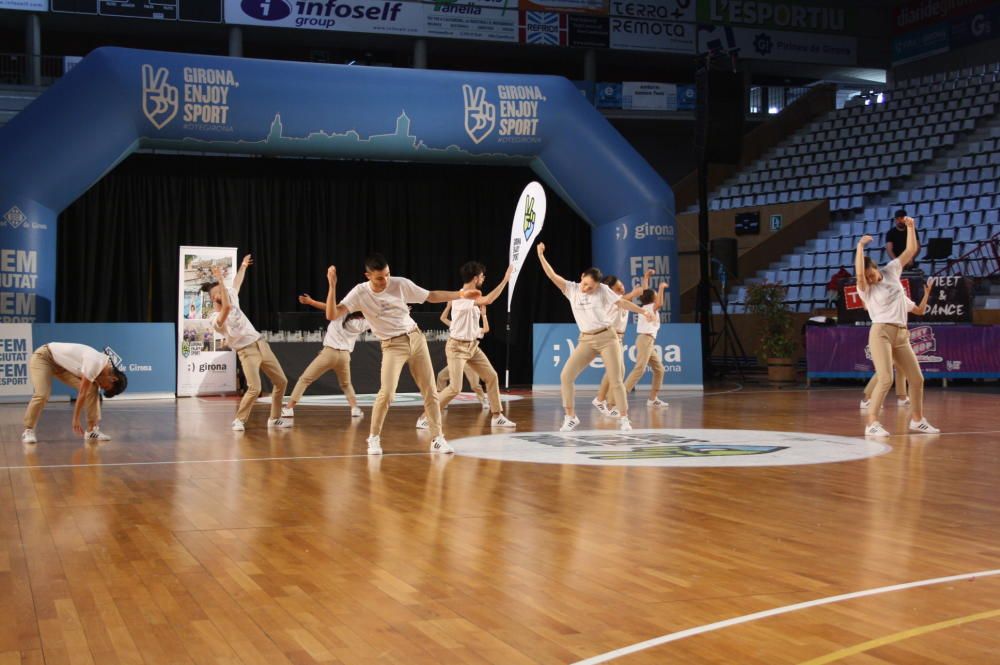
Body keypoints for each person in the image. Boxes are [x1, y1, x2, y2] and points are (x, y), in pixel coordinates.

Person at [324, 254, 481, 455]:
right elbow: (332, 314)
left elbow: (431, 296)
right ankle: (373, 438)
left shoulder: (399, 284)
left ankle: (437, 438)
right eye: (380, 278)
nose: (385, 281)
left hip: (415, 338)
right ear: (368, 276)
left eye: (388, 275)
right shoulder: (359, 293)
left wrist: (460, 295)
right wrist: (332, 286)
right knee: (387, 393)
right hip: (392, 346)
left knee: (430, 391)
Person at [536, 242, 655, 432]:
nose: (585, 288)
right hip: (586, 340)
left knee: (616, 379)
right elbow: (551, 275)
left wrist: (642, 311)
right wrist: (541, 255)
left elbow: (623, 304)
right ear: (581, 277)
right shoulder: (571, 289)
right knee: (566, 376)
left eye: (590, 287)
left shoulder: (603, 291)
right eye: (584, 284)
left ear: (597, 285)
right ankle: (570, 417)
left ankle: (624, 418)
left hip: (608, 338)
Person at [855, 218, 938, 436]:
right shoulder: (866, 288)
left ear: (875, 267)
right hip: (880, 332)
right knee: (886, 378)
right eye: (865, 277)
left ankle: (917, 420)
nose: (869, 280)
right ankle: (871, 423)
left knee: (917, 378)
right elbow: (859, 275)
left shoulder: (891, 270)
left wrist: (911, 227)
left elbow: (911, 250)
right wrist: (860, 247)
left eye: (870, 274)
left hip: (901, 333)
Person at [417, 262, 515, 429]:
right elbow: (489, 300)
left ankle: (497, 416)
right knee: (455, 388)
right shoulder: (462, 296)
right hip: (456, 347)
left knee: (491, 376)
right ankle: (425, 416)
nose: (484, 278)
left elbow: (477, 315)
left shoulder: (474, 296)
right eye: (482, 276)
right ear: (476, 278)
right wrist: (505, 280)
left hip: (472, 347)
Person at [204, 255, 291, 431]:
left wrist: (243, 266)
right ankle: (239, 420)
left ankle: (274, 418)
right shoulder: (214, 319)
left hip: (260, 343)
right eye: (220, 292)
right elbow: (226, 308)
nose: (224, 292)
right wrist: (220, 279)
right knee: (255, 387)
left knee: (281, 381)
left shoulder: (232, 297)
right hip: (246, 351)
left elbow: (236, 283)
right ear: (214, 299)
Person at [281, 287, 369, 420]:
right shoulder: (363, 323)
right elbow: (380, 318)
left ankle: (288, 409)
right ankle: (355, 409)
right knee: (346, 384)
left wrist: (311, 302)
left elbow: (328, 307)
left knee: (305, 379)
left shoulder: (341, 313)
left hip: (329, 353)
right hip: (344, 356)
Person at [21, 342, 128, 444]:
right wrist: (75, 419)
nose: (102, 386)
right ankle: (28, 430)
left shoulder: (105, 368)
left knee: (92, 388)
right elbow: (82, 393)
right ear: (113, 379)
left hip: (63, 366)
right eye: (105, 386)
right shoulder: (96, 363)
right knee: (42, 394)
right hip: (44, 357)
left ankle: (91, 431)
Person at [592, 272, 644, 416]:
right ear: (610, 291)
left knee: (616, 371)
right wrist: (634, 293)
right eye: (618, 288)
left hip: (617, 339)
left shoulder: (622, 299)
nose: (622, 289)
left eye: (622, 286)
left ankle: (604, 401)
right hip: (609, 338)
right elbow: (623, 299)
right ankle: (606, 401)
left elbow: (630, 297)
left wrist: (645, 278)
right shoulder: (610, 300)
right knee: (617, 371)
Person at [623, 279, 671, 408]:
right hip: (645, 340)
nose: (657, 296)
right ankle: (620, 397)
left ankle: (653, 399)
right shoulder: (651, 307)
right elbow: (660, 303)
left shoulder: (645, 306)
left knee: (659, 369)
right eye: (656, 294)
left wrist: (646, 276)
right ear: (653, 298)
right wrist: (661, 287)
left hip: (647, 341)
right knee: (639, 369)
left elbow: (645, 291)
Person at [436, 301, 489, 410]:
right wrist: (448, 306)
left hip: (469, 359)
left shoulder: (473, 328)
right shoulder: (456, 325)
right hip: (457, 359)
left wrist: (484, 315)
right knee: (441, 376)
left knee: (474, 385)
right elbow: (443, 318)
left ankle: (483, 399)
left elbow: (486, 329)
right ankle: (442, 400)